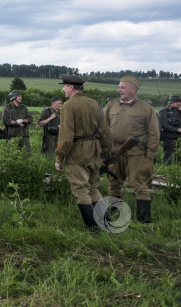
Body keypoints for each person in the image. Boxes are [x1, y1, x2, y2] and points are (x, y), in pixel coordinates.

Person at [54, 75, 112, 233]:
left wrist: (59, 158)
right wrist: (106, 154)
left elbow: (66, 137)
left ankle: (93, 229)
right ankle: (107, 223)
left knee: (81, 189)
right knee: (93, 188)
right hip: (95, 151)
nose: (63, 89)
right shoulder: (94, 104)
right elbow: (105, 132)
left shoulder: (68, 106)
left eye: (64, 86)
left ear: (71, 87)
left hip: (77, 153)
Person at [104, 76, 160, 223]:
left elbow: (154, 133)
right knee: (114, 184)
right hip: (115, 153)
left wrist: (149, 156)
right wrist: (105, 152)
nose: (119, 90)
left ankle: (143, 219)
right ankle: (113, 212)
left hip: (137, 154)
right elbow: (103, 128)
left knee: (140, 186)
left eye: (123, 87)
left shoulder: (146, 108)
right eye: (119, 87)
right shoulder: (111, 105)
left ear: (134, 89)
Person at [2, 90, 33, 154]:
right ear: (14, 98)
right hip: (12, 135)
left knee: (27, 153)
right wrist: (16, 123)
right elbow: (5, 120)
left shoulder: (23, 107)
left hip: (24, 134)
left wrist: (23, 120)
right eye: (19, 96)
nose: (21, 97)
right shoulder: (7, 107)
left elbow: (30, 118)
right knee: (12, 153)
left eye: (20, 96)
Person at [158, 95, 181, 165]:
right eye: (176, 102)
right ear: (171, 102)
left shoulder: (180, 112)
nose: (179, 103)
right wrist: (177, 129)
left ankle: (177, 170)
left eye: (179, 102)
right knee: (168, 156)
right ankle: (166, 170)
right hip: (169, 137)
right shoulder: (164, 111)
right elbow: (164, 125)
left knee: (179, 155)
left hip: (179, 137)